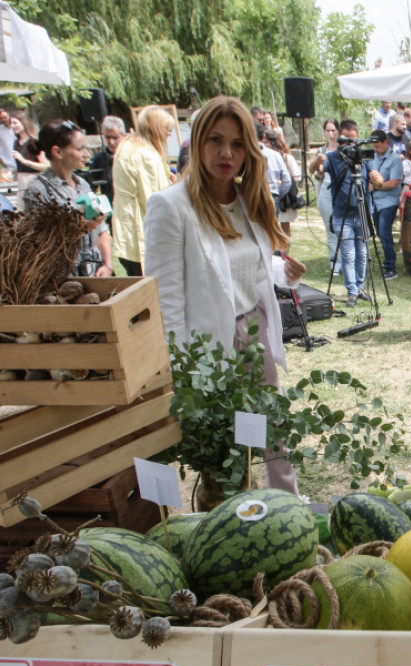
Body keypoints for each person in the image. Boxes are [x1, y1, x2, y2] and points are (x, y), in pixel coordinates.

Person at [144, 96, 305, 494]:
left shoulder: (248, 198)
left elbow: (243, 267)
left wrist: (282, 272)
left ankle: (286, 503)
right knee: (223, 444)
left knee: (272, 426)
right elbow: (164, 301)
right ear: (198, 142)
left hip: (254, 331)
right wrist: (183, 370)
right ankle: (232, 513)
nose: (226, 153)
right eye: (216, 140)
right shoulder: (170, 206)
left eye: (237, 144)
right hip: (208, 344)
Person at [23, 120, 113, 278]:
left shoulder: (82, 184)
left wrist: (108, 264)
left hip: (96, 273)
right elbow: (41, 243)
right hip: (63, 278)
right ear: (58, 152)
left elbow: (101, 230)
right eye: (80, 148)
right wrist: (81, 228)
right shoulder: (38, 190)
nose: (87, 154)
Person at [112, 107, 174, 275]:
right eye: (167, 128)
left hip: (128, 233)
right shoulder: (145, 155)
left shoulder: (128, 146)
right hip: (140, 234)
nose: (169, 133)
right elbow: (155, 200)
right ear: (156, 128)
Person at [324, 120, 371, 308]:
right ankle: (351, 290)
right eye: (346, 140)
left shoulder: (362, 157)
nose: (350, 144)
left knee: (362, 253)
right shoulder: (332, 157)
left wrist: (377, 179)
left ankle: (360, 287)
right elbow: (317, 171)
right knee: (348, 254)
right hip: (341, 214)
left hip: (362, 213)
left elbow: (374, 179)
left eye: (353, 140)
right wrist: (316, 165)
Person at [366, 129, 403, 279]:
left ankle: (390, 267)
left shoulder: (395, 159)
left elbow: (393, 183)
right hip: (374, 202)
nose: (375, 149)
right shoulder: (371, 157)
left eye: (377, 146)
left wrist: (375, 186)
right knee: (380, 233)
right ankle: (388, 258)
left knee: (384, 232)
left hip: (389, 202)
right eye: (373, 146)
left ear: (385, 142)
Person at [310, 118, 340, 271]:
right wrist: (317, 162)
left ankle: (347, 261)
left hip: (341, 189)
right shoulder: (321, 151)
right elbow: (314, 172)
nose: (331, 134)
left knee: (344, 227)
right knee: (330, 228)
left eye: (333, 130)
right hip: (326, 188)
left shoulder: (343, 148)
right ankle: (335, 263)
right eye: (328, 130)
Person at [265, 129, 303, 240]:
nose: (263, 145)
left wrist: (282, 182)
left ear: (273, 143)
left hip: (285, 198)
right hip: (271, 196)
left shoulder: (287, 158)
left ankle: (285, 250)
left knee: (285, 228)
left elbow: (297, 176)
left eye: (266, 142)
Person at [10, 111, 47, 200]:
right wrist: (12, 171)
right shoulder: (16, 143)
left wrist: (25, 161)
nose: (12, 126)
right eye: (11, 123)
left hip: (33, 181)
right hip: (21, 182)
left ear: (24, 122)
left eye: (15, 123)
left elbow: (46, 166)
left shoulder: (34, 142)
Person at [88, 115, 125, 205]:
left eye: (115, 137)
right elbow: (91, 190)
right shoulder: (98, 160)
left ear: (123, 135)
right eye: (108, 137)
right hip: (111, 208)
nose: (111, 142)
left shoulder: (133, 157)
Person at [256, 123, 291, 215]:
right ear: (264, 137)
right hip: (272, 196)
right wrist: (277, 194)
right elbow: (287, 181)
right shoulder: (275, 155)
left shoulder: (245, 154)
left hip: (252, 198)